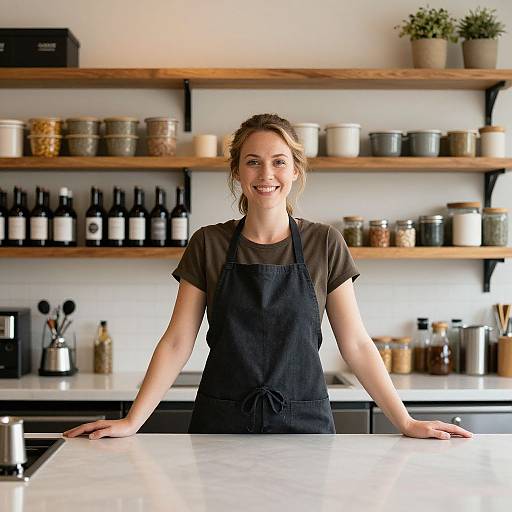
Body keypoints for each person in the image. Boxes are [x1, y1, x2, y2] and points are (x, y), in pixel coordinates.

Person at [64, 113, 473, 439]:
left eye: (279, 162)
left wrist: (405, 422)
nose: (266, 175)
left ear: (295, 171)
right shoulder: (208, 243)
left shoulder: (324, 243)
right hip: (220, 424)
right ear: (237, 173)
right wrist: (133, 420)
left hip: (305, 424)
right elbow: (176, 341)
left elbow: (357, 345)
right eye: (253, 162)